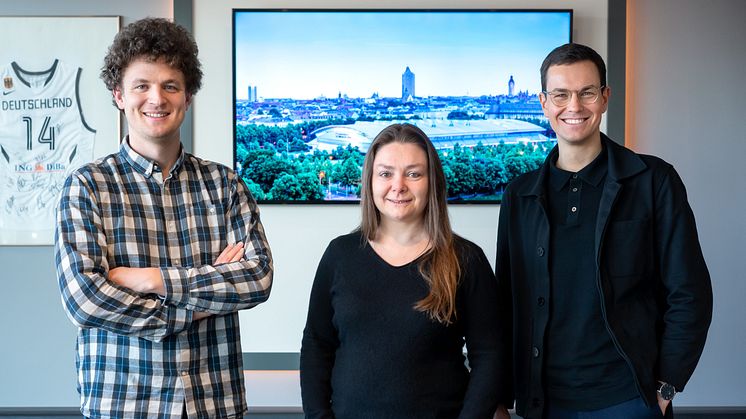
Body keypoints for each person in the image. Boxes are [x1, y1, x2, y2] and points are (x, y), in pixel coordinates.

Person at [55, 18, 273, 418]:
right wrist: (196, 305)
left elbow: (256, 278)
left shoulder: (223, 184)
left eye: (170, 86)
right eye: (142, 85)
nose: (156, 98)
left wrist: (150, 279)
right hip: (123, 404)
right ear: (119, 95)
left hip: (214, 402)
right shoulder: (86, 186)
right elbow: (84, 301)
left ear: (188, 97)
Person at [495, 43, 713, 419]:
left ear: (605, 97)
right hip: (542, 401)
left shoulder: (654, 181)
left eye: (587, 93)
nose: (574, 107)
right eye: (561, 95)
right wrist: (500, 393)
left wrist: (667, 384)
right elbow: (507, 302)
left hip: (628, 399)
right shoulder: (519, 194)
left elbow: (690, 291)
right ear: (544, 103)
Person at [300, 123, 511, 418]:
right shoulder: (339, 255)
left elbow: (489, 354)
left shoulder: (466, 259)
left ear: (432, 182)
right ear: (370, 181)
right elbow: (316, 345)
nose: (398, 186)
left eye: (413, 173)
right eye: (386, 173)